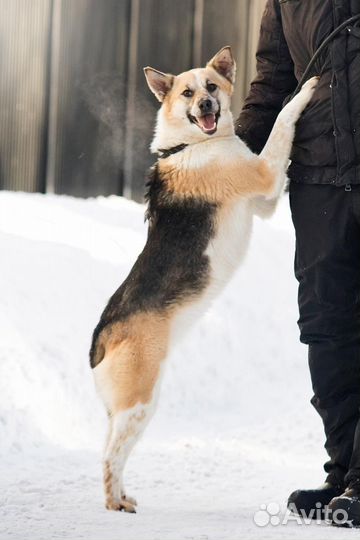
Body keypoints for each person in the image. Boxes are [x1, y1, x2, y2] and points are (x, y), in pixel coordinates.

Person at [236, 0, 360, 527]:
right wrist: (234, 162)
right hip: (318, 179)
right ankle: (345, 471)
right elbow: (273, 77)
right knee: (326, 324)